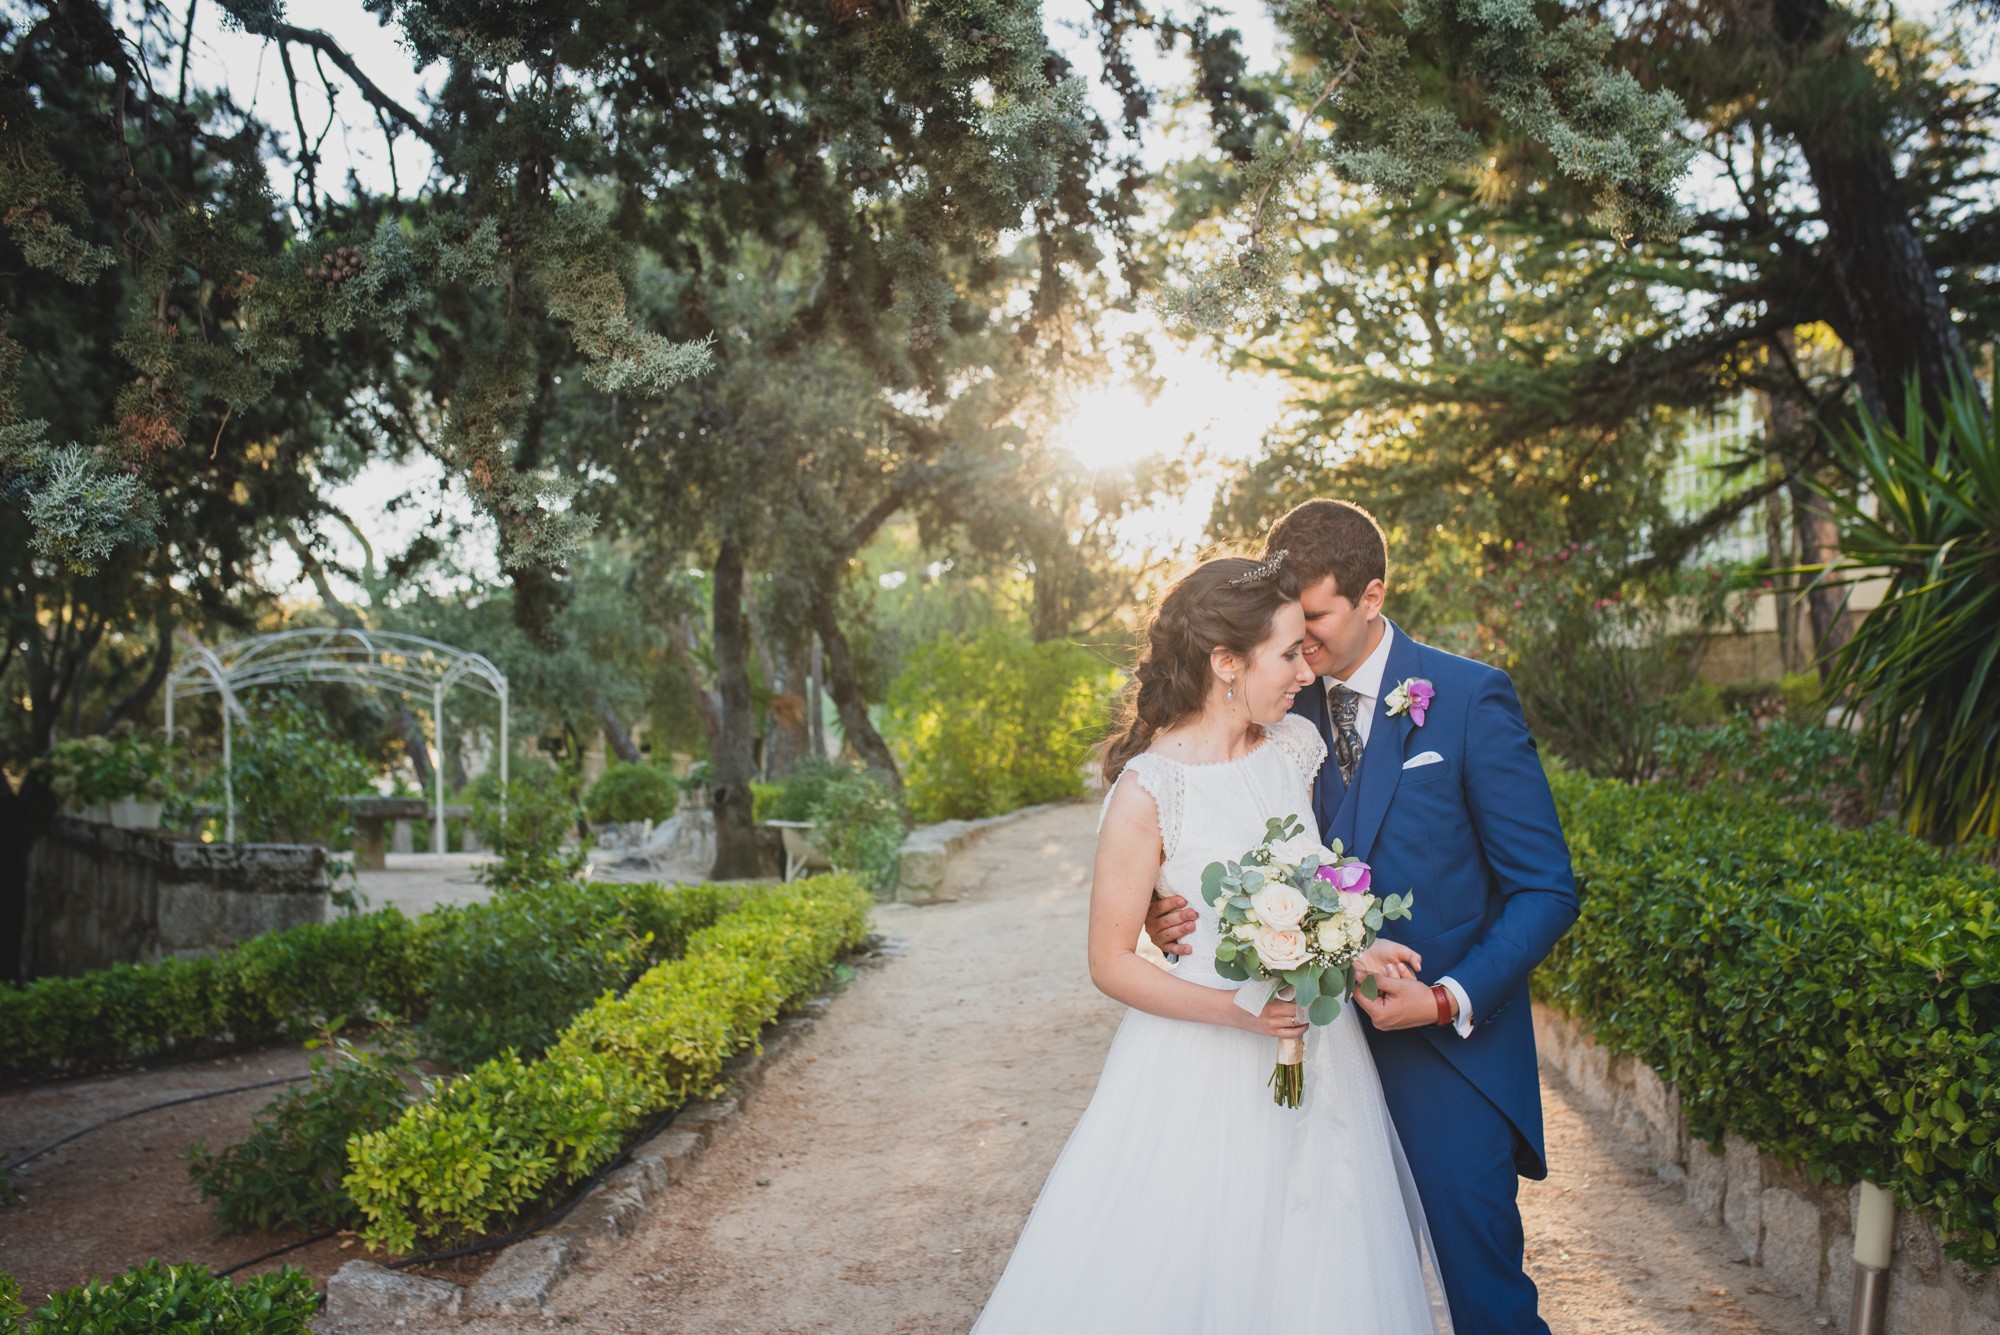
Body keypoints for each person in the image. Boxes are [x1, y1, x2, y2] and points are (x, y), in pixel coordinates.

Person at [972, 553, 1451, 1335]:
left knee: (1320, 1255)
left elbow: (1309, 888)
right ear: (1227, 662)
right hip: (1201, 1060)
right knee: (1197, 1260)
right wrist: (1236, 1011)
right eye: (1289, 653)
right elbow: (1111, 961)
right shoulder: (1150, 789)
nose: (1306, 670)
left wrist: (1352, 945)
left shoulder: (1296, 746)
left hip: (1319, 1051)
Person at [1146, 501, 1579, 1335]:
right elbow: (1216, 835)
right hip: (1300, 1055)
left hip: (1442, 1055)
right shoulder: (1272, 709)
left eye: (1314, 618)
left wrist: (1449, 995)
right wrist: (1176, 913)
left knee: (1487, 1298)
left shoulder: (1466, 698)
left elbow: (1546, 888)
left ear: (1372, 595)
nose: (1299, 644)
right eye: (1287, 626)